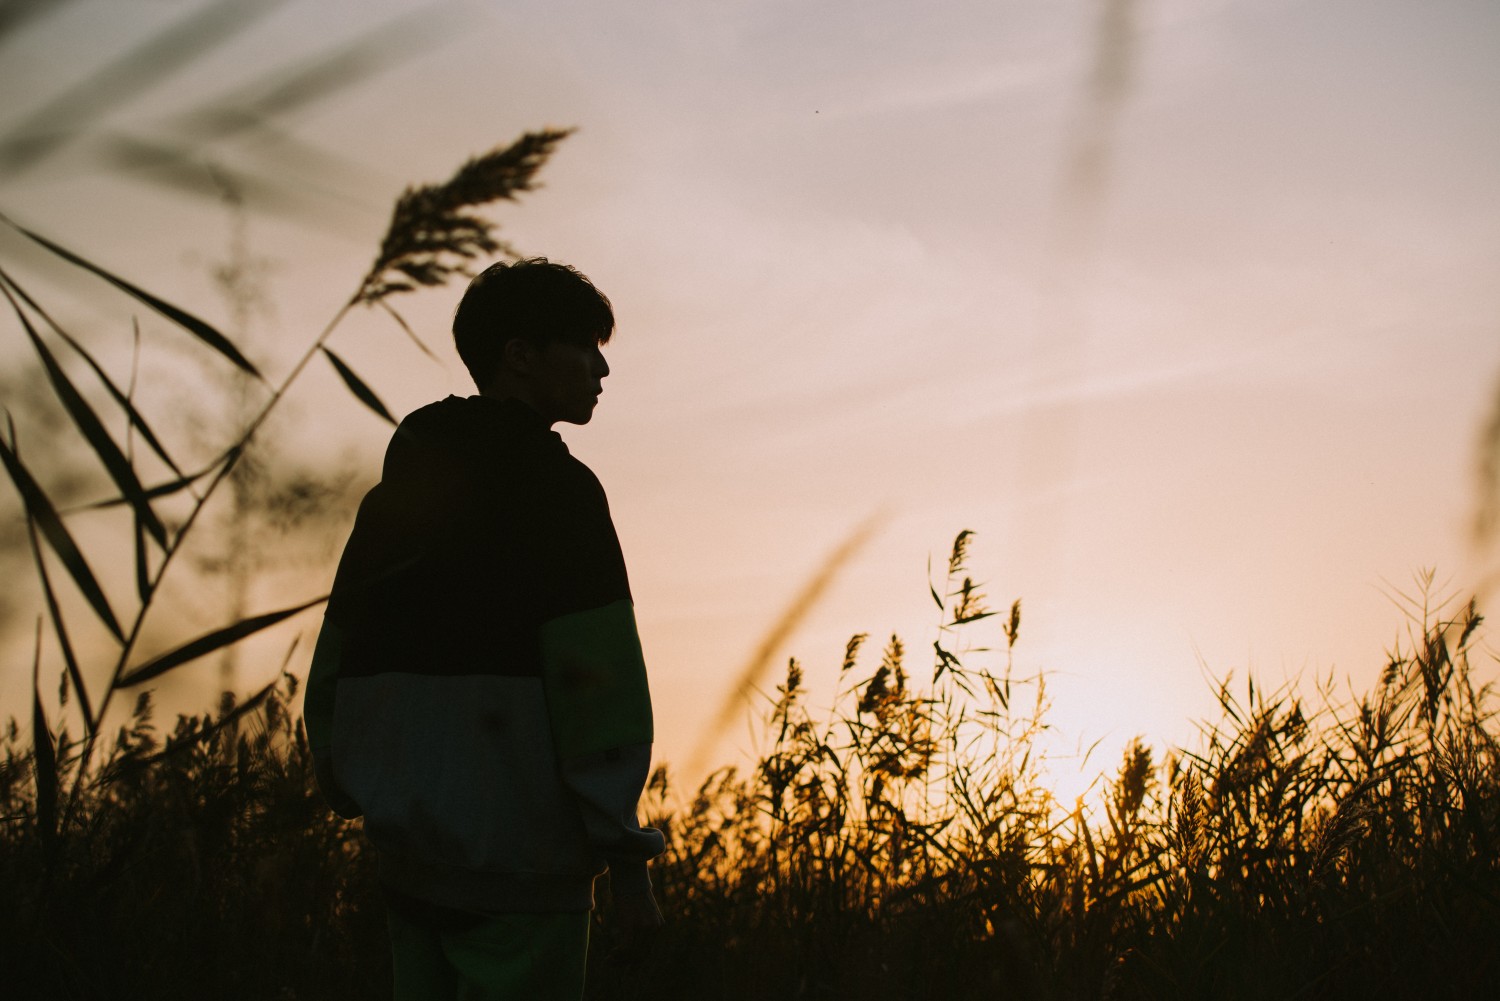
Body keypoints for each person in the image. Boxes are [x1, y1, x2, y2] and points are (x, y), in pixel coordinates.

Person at [304, 258, 665, 1000]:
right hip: (524, 871)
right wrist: (627, 864)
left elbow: (336, 666)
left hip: (409, 863)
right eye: (584, 345)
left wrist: (357, 788)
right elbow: (599, 692)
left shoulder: (393, 500)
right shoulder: (561, 496)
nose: (602, 368)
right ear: (520, 355)